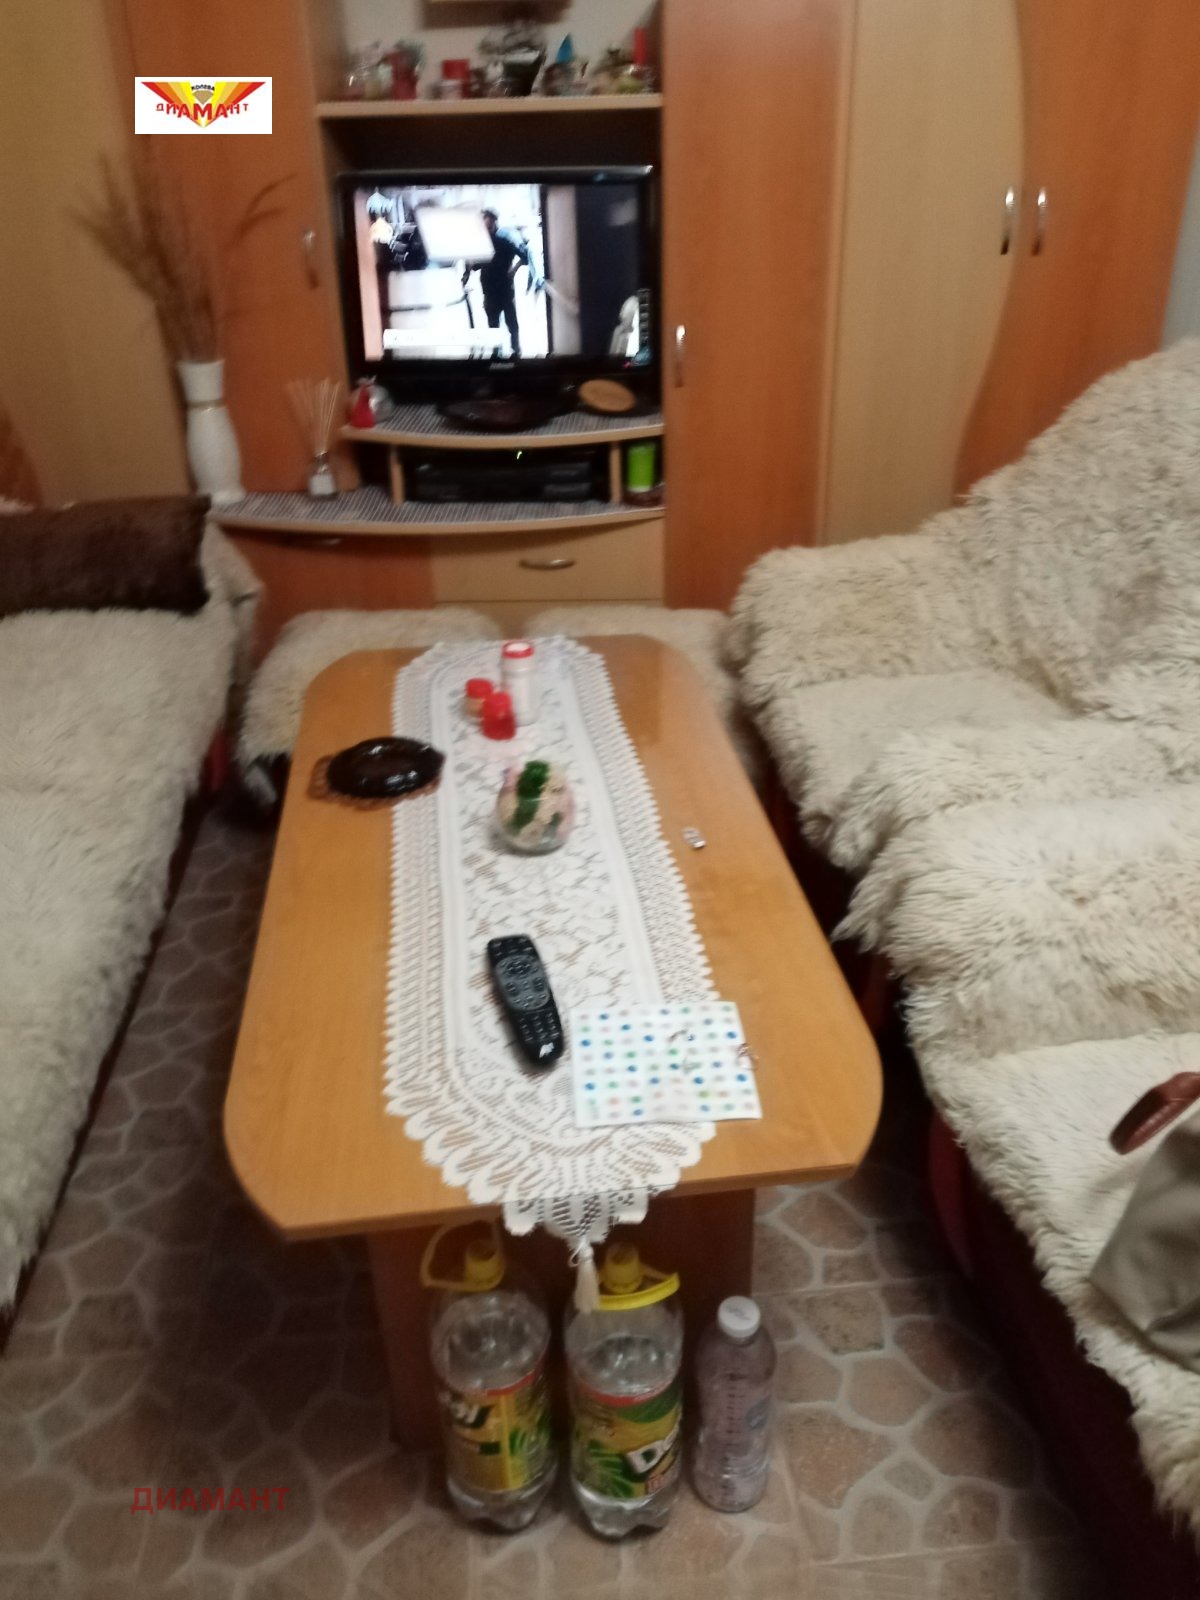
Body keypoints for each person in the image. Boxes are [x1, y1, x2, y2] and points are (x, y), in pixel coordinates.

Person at [463, 209, 541, 358]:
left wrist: (514, 270)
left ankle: (515, 350)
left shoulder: (504, 242)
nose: (487, 229)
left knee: (511, 321)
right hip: (489, 289)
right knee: (493, 323)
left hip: (504, 288)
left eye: (489, 225)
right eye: (485, 226)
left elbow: (524, 256)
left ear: (494, 223)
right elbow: (475, 266)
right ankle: (497, 352)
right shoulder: (483, 245)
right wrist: (470, 264)